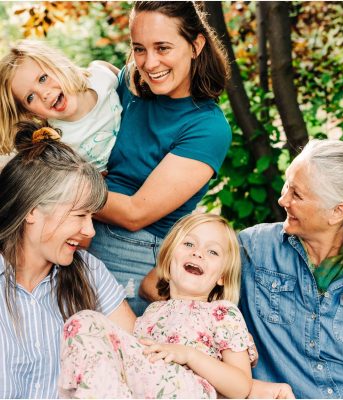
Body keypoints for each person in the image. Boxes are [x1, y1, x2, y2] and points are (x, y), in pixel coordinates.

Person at [88, 1, 232, 316]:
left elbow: (134, 213)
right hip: (80, 231)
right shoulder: (129, 82)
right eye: (139, 49)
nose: (150, 63)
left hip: (130, 252)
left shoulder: (208, 128)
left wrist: (59, 189)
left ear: (195, 45)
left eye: (162, 48)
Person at [239, 139, 343, 399]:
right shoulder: (253, 249)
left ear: (337, 212)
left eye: (296, 194)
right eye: (286, 186)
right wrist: (229, 329)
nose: (282, 200)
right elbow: (173, 284)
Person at [0, 121, 136, 399]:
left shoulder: (89, 270)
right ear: (32, 211)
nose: (89, 231)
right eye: (79, 216)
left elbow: (137, 357)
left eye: (92, 216)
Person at [58, 213, 255, 398]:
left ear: (222, 276)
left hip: (188, 390)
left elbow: (241, 387)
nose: (198, 253)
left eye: (212, 251)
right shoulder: (152, 312)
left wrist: (189, 355)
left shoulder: (223, 313)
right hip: (142, 389)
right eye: (188, 244)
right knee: (84, 322)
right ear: (168, 262)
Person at [0, 39, 122, 172]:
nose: (43, 94)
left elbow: (130, 82)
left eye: (43, 78)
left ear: (58, 65)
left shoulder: (101, 76)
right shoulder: (56, 142)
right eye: (30, 97)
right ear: (32, 113)